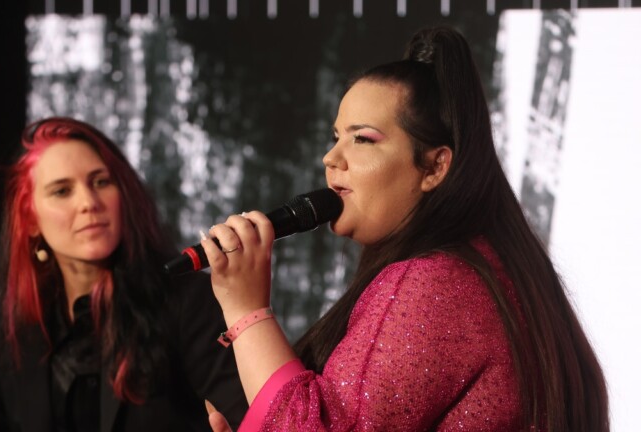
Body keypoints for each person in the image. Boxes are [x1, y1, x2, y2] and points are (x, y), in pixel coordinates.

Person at [201, 26, 609, 431]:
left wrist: (246, 309)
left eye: (363, 140)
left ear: (434, 167)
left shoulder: (436, 283)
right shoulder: (479, 270)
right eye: (336, 137)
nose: (331, 157)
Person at [0, 117, 248, 431]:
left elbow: (251, 417)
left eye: (100, 182)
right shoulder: (1, 308)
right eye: (62, 191)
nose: (89, 203)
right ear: (30, 219)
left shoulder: (186, 299)